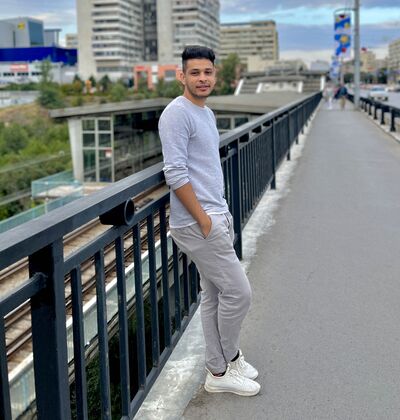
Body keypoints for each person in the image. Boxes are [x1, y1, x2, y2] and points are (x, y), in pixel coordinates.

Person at [158, 45, 260, 397]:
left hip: (216, 214)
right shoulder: (176, 114)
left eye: (207, 72)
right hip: (197, 222)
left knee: (214, 295)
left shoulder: (206, 112)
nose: (202, 78)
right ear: (181, 76)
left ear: (214, 75)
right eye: (195, 73)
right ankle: (226, 361)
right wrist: (203, 220)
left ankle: (219, 369)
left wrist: (218, 215)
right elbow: (175, 172)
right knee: (239, 293)